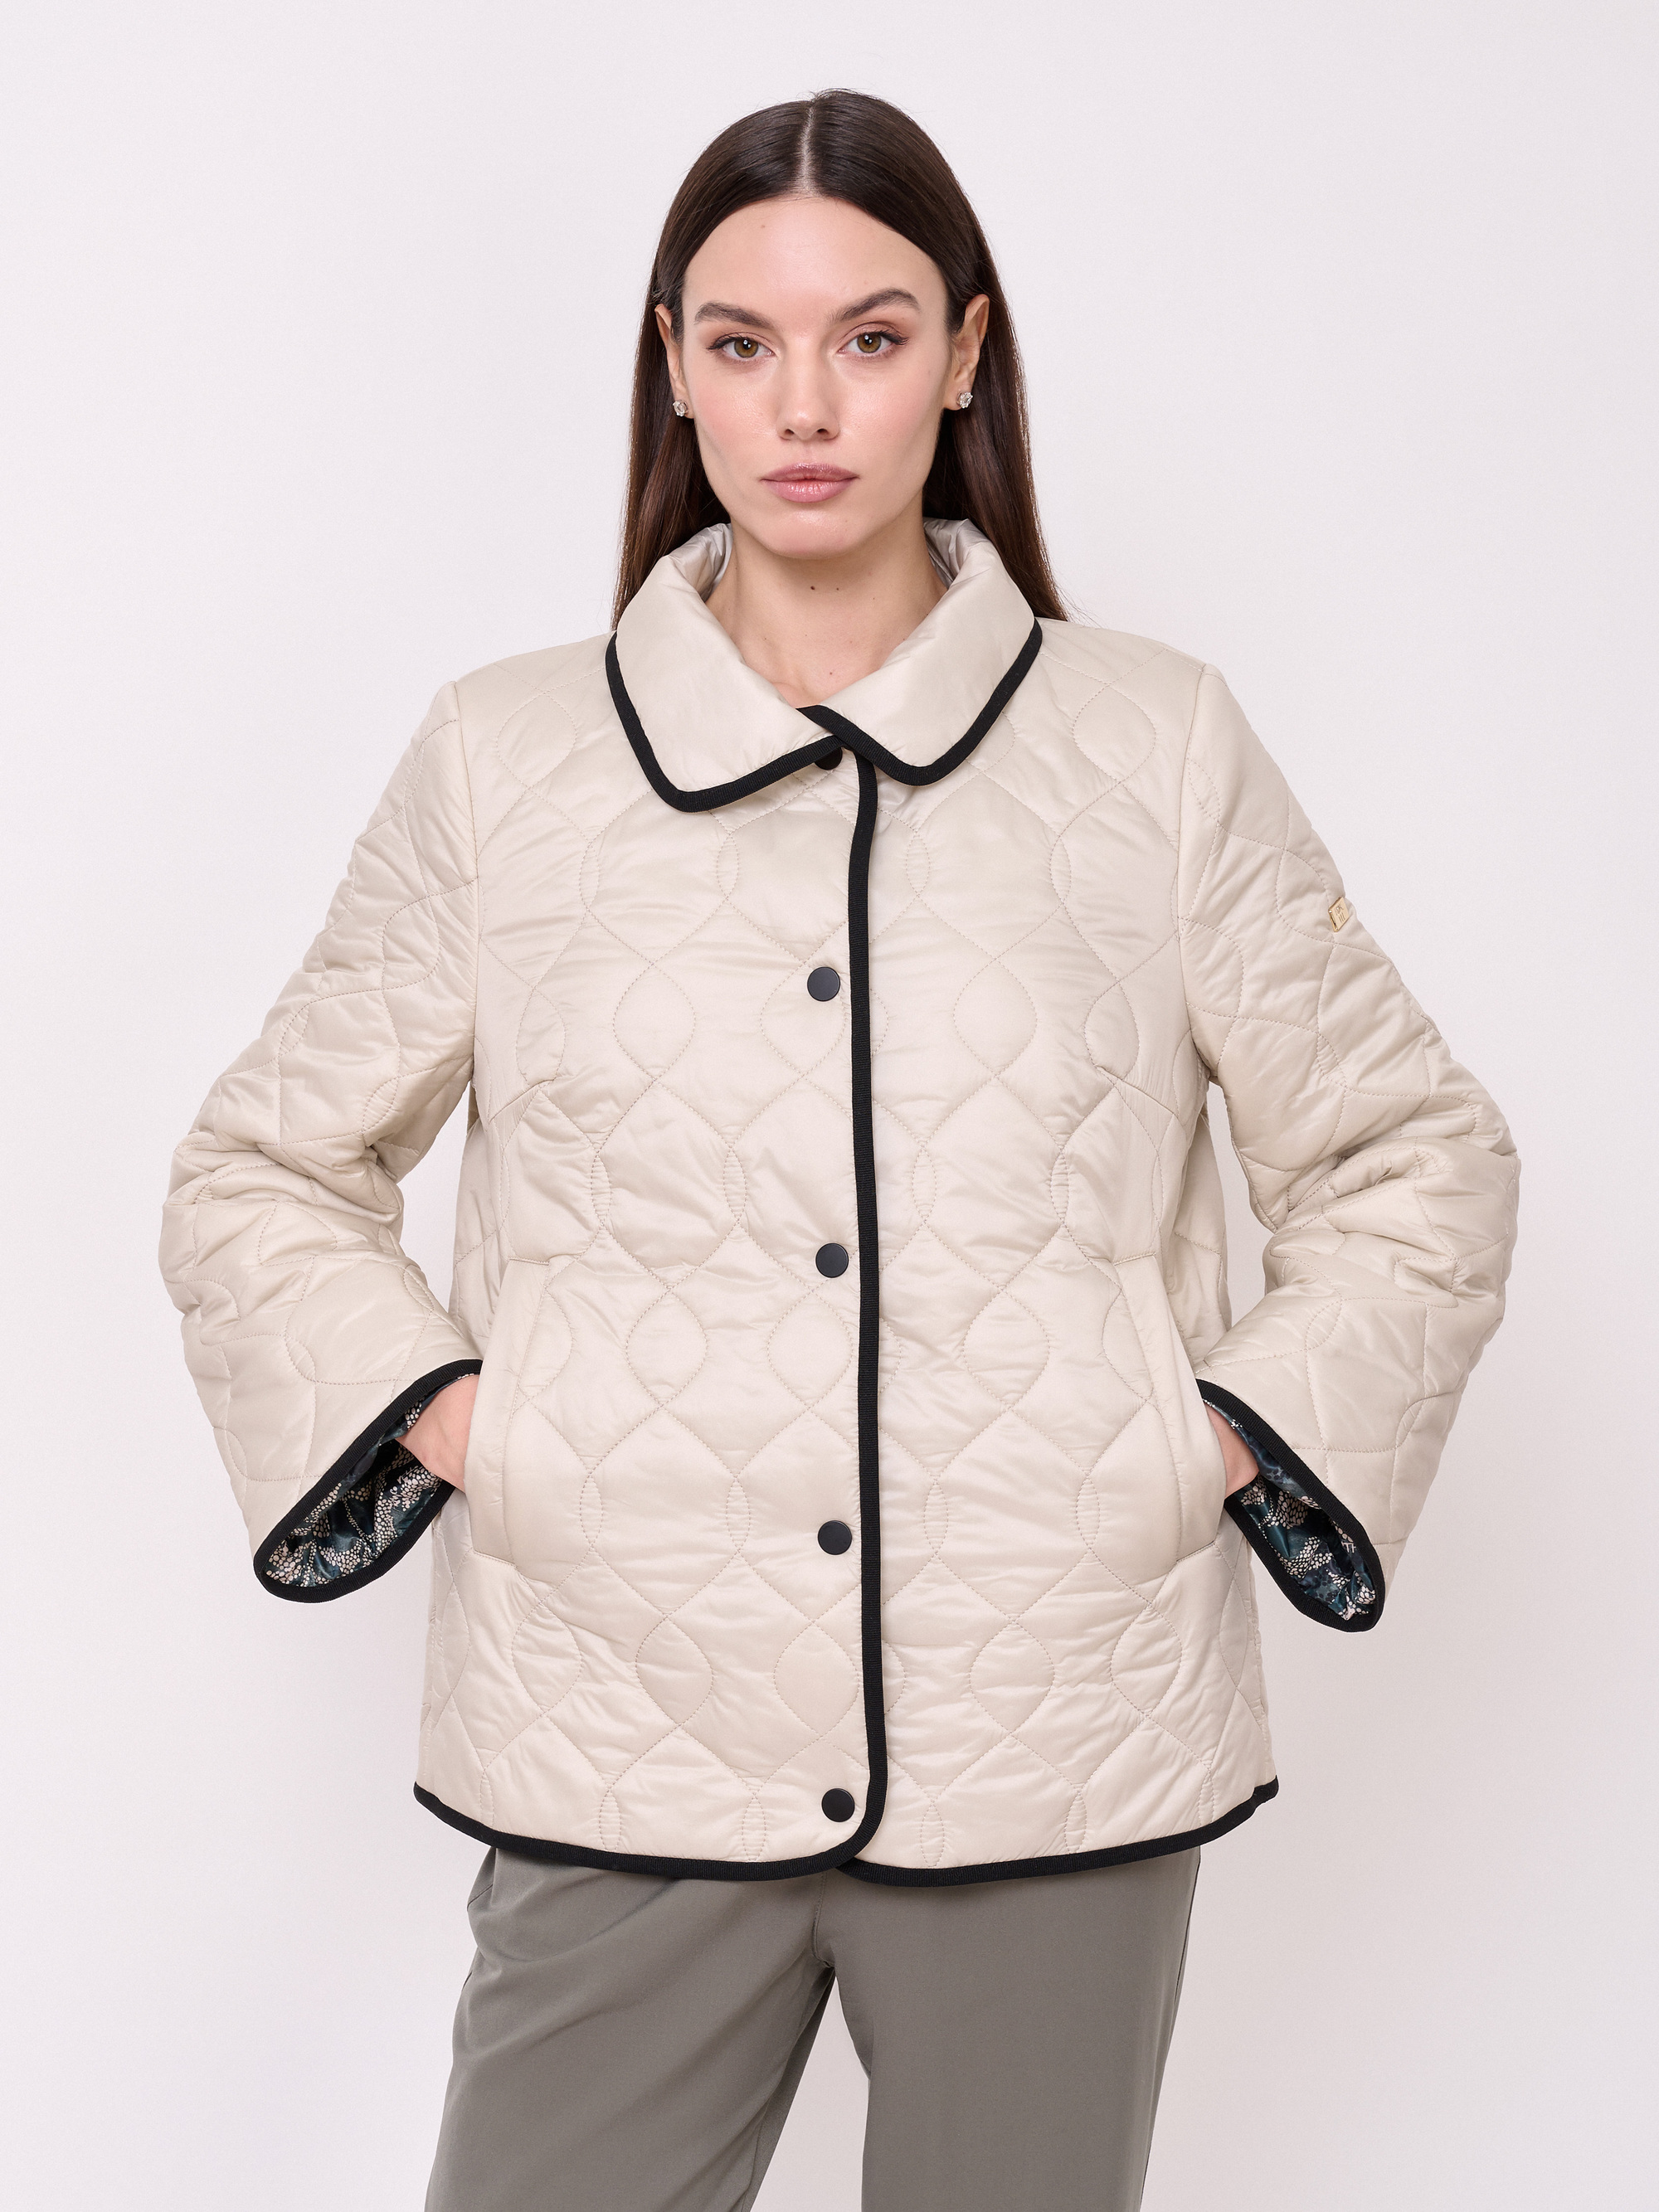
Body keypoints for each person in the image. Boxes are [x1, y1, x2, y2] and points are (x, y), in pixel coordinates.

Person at [161, 87, 1519, 2212]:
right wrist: (479, 1425)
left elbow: (1412, 1153)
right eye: (742, 342)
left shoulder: (1150, 743)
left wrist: (1198, 1440)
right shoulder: (505, 760)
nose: (803, 405)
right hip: (618, 1716)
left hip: (1052, 1734)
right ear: (674, 365)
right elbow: (260, 1169)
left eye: (869, 338)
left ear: (962, 354)